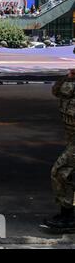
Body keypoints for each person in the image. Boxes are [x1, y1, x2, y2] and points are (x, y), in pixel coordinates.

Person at [42, 70, 75, 233]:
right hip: (71, 138)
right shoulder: (70, 79)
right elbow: (56, 91)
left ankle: (69, 216)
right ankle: (67, 215)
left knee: (60, 171)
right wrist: (69, 77)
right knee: (69, 175)